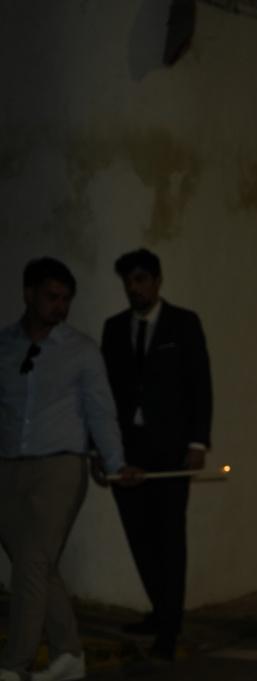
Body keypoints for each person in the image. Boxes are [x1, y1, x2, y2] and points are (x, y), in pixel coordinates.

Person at [0, 258, 140, 681]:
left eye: (66, 300)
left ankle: (14, 666)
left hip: (60, 468)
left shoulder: (81, 350)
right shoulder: (4, 345)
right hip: (7, 466)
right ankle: (69, 655)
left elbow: (101, 411)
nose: (59, 307)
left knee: (29, 567)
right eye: (51, 297)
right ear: (29, 293)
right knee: (38, 564)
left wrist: (115, 463)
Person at [100, 249, 213, 660]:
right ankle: (160, 610)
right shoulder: (113, 329)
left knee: (169, 540)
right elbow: (105, 394)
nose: (135, 288)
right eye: (129, 281)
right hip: (128, 452)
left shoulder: (183, 324)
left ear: (158, 281)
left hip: (171, 453)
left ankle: (169, 628)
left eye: (142, 279)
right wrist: (104, 451)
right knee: (140, 537)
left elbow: (200, 383)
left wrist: (198, 444)